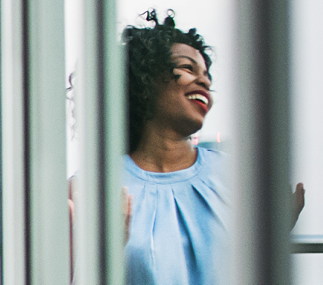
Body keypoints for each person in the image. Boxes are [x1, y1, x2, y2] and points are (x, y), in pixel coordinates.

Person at [110, 10, 306, 284]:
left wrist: (273, 234)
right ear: (143, 80)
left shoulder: (238, 178)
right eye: (188, 68)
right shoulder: (98, 186)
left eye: (206, 75)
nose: (204, 81)